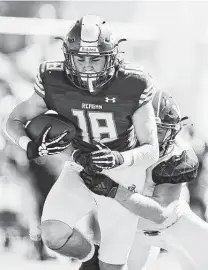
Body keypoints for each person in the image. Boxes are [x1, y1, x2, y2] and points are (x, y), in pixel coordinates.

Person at [5, 15, 159, 270]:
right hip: (80, 165)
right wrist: (28, 145)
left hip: (123, 172)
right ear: (68, 55)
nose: (87, 65)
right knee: (52, 234)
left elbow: (150, 149)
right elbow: (14, 120)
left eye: (95, 58)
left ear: (111, 56)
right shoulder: (52, 78)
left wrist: (121, 158)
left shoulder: (134, 82)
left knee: (114, 266)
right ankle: (90, 259)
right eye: (81, 58)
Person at [82, 91, 208, 270]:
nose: (151, 138)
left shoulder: (175, 157)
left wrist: (114, 190)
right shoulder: (113, 147)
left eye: (159, 131)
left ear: (173, 132)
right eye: (145, 128)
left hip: (174, 224)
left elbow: (160, 213)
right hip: (133, 232)